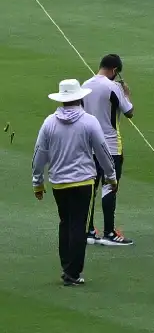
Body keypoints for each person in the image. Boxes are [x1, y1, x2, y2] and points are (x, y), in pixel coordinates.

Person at [32, 78, 117, 286]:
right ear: (79, 98)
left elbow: (39, 154)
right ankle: (72, 272)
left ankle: (67, 266)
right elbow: (103, 151)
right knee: (78, 226)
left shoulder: (49, 122)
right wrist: (111, 176)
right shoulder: (89, 121)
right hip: (83, 182)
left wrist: (37, 182)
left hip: (59, 183)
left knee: (66, 223)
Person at [80, 55, 134, 247]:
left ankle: (89, 230)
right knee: (110, 186)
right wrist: (126, 94)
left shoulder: (85, 84)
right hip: (111, 145)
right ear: (115, 71)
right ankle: (110, 232)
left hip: (88, 145)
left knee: (91, 188)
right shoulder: (113, 87)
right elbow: (129, 112)